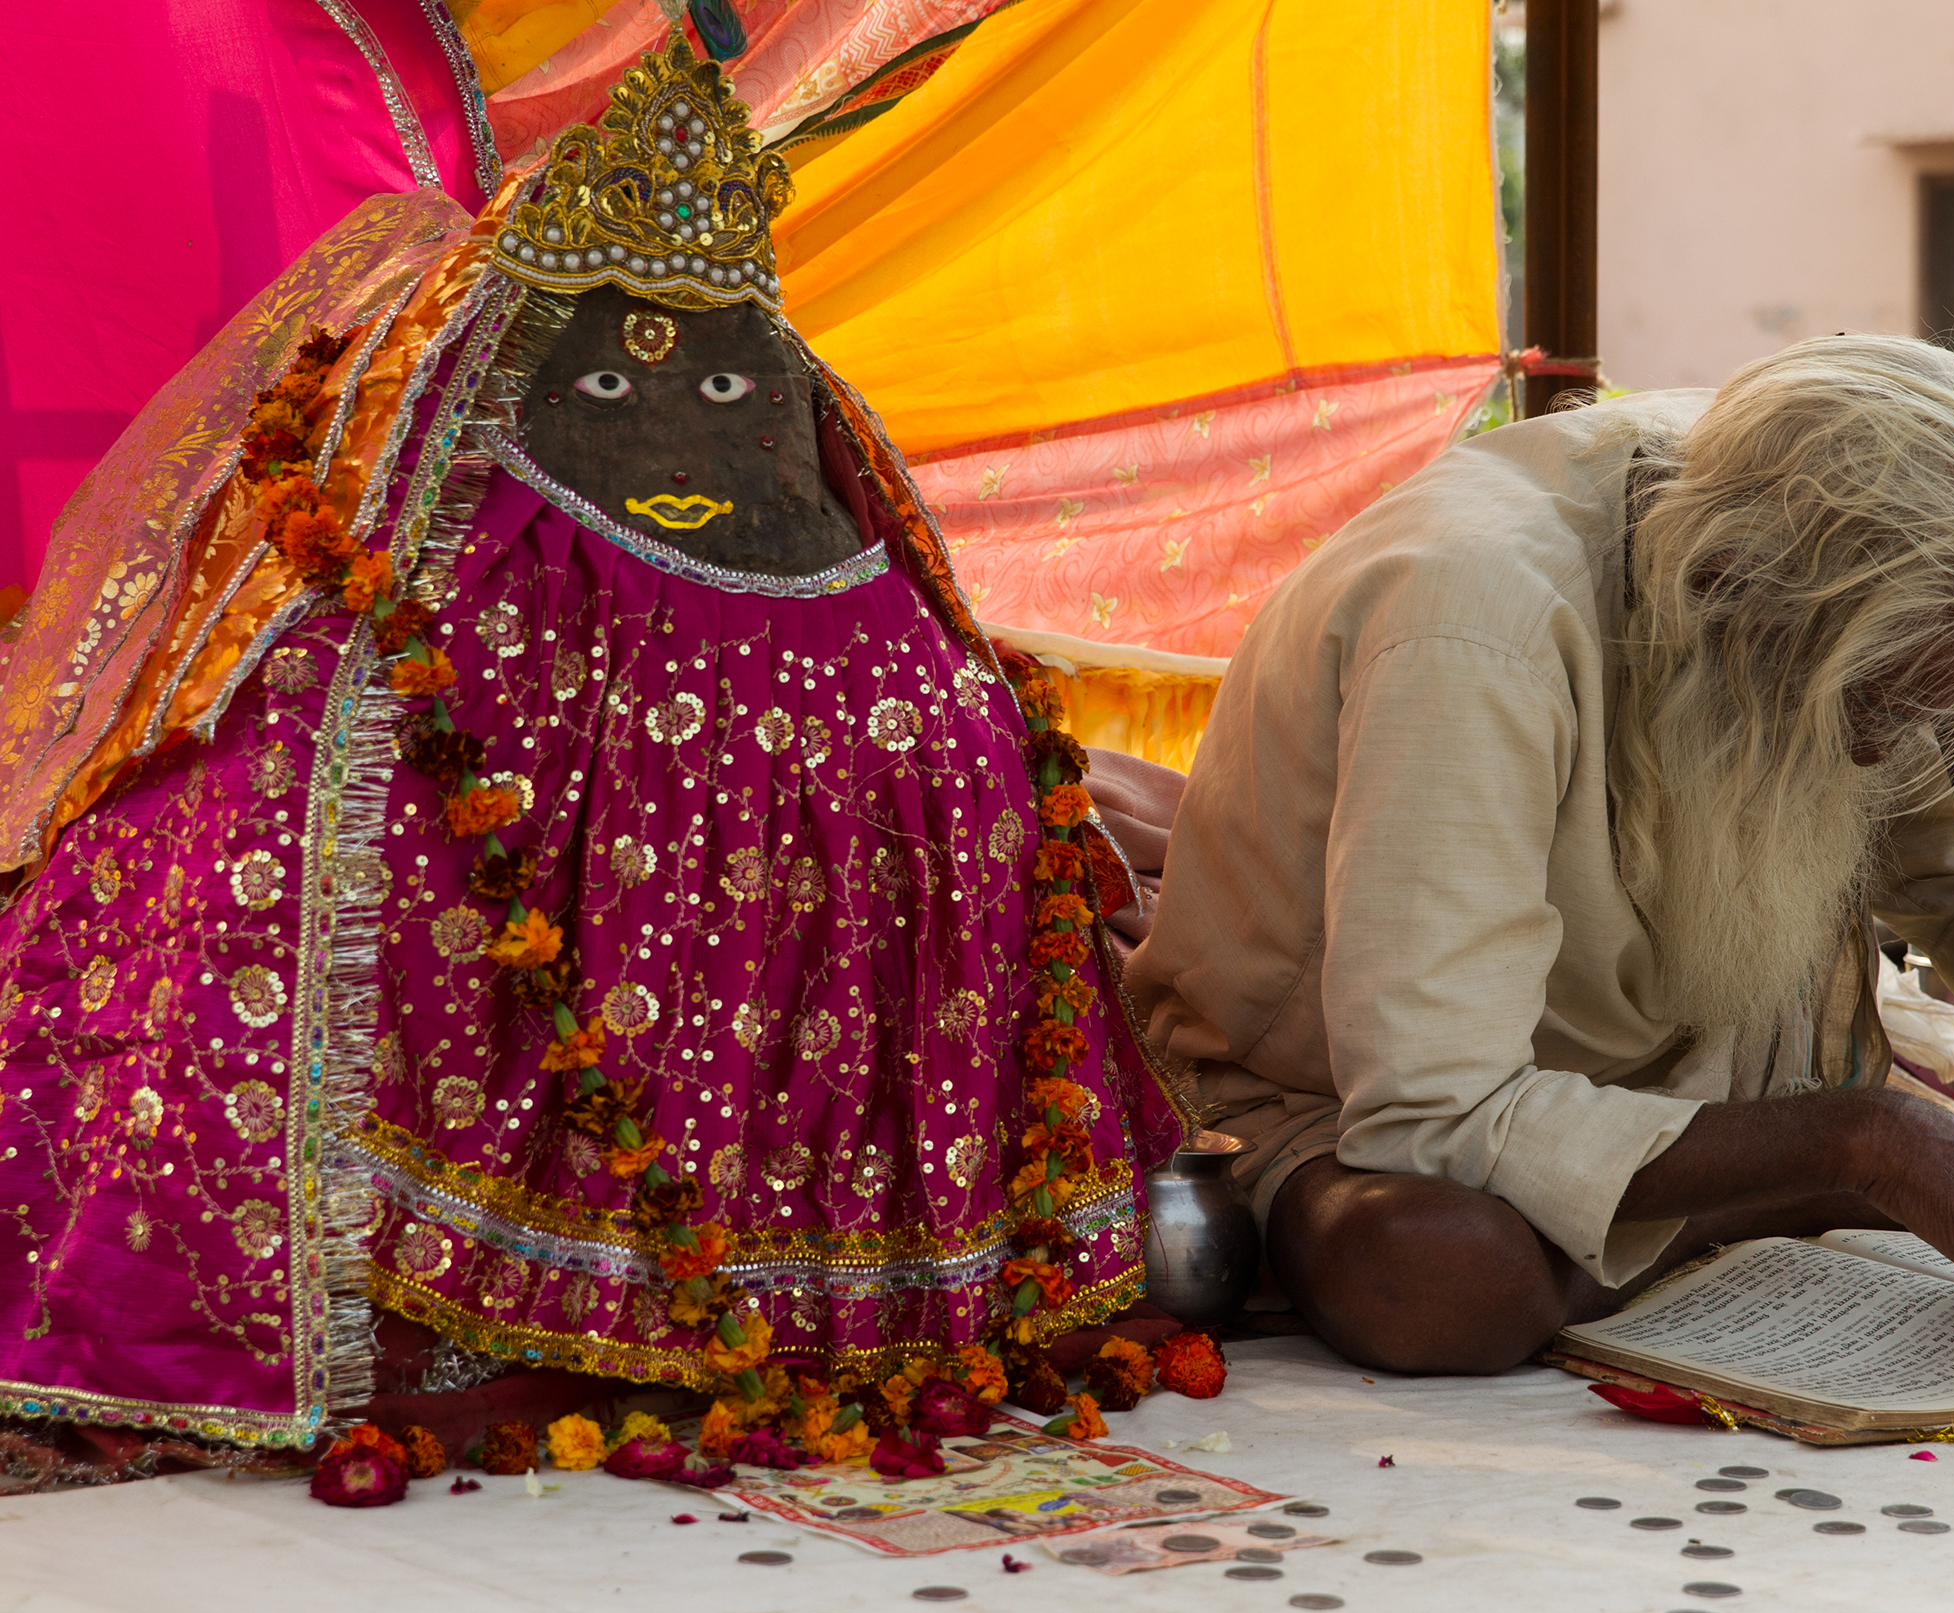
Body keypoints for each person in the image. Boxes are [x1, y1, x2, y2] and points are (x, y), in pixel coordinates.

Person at [0, 39, 1179, 1453]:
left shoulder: (897, 643)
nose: (676, 450)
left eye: (728, 398)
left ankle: (800, 1308)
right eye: (608, 393)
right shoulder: (376, 645)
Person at [1124, 335, 1954, 1376]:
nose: (1894, 753)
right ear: (1731, 604)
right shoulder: (1475, 619)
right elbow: (1437, 1114)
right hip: (1344, 1106)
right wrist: (1866, 1142)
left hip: (1695, 1071)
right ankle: (1797, 1193)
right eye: (1876, 709)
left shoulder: (1814, 525)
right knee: (1433, 1276)